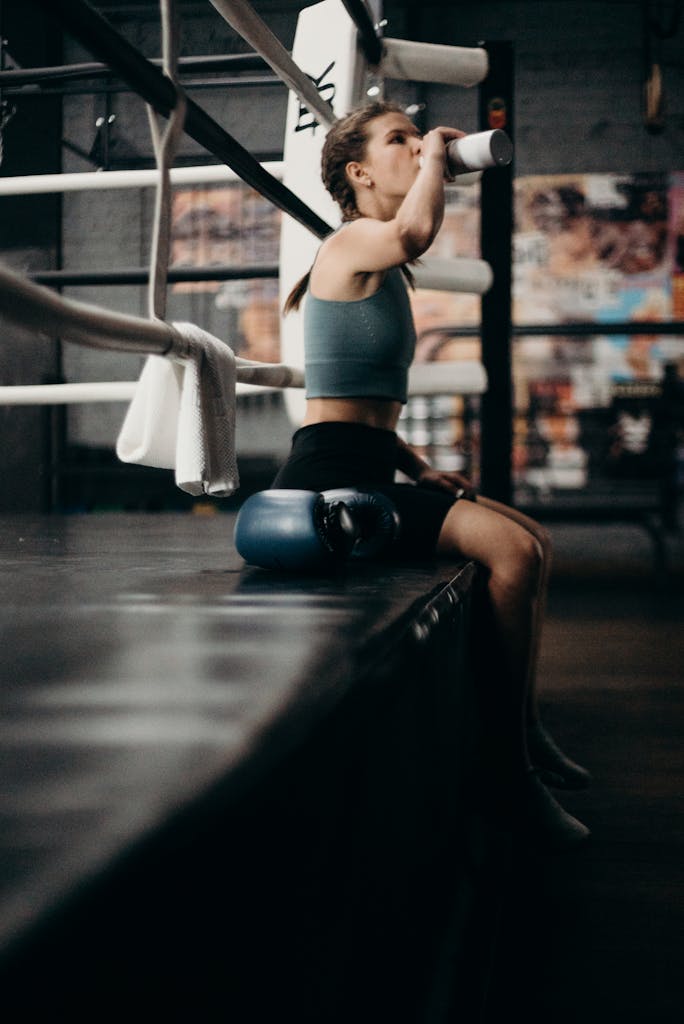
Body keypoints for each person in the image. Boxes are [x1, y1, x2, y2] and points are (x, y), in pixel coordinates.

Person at [273, 100, 590, 850]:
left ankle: (525, 726)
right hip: (329, 475)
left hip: (372, 464)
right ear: (358, 172)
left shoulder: (386, 266)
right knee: (508, 554)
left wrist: (419, 465)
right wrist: (444, 154)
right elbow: (416, 228)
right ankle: (504, 776)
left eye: (417, 137)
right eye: (399, 140)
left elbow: (366, 393)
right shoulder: (351, 243)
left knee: (532, 539)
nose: (416, 147)